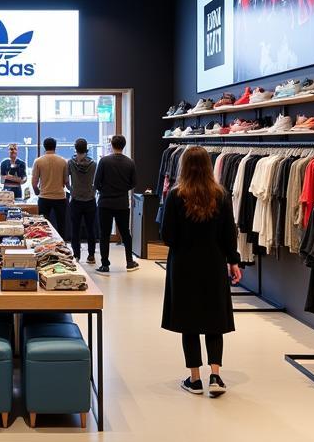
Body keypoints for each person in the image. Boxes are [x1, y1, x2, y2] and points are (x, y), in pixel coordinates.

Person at [159, 146, 241, 397]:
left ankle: (195, 379)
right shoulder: (221, 195)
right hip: (213, 263)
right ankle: (215, 375)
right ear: (208, 166)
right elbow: (230, 233)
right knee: (215, 319)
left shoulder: (175, 196)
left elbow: (167, 235)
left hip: (183, 264)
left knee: (189, 320)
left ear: (183, 166)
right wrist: (233, 261)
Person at [94, 135, 139, 273]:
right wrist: (122, 189)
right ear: (123, 145)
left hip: (105, 202)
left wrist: (105, 190)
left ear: (112, 145)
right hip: (122, 203)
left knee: (104, 234)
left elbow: (96, 183)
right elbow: (134, 183)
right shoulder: (130, 162)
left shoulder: (104, 161)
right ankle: (130, 262)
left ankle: (105, 264)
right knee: (126, 233)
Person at [66, 138, 98, 264]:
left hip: (76, 200)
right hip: (90, 200)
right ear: (86, 148)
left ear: (75, 148)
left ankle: (76, 255)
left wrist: (72, 190)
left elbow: (66, 181)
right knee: (91, 229)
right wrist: (93, 191)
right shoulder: (94, 164)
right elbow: (97, 182)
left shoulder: (70, 163)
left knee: (75, 229)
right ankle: (91, 256)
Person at [32, 137, 68, 237]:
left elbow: (34, 183)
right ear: (55, 147)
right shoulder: (63, 161)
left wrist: (37, 192)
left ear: (44, 147)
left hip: (44, 197)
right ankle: (62, 247)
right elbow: (66, 181)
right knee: (61, 224)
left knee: (43, 226)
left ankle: (44, 245)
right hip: (60, 197)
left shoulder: (38, 161)